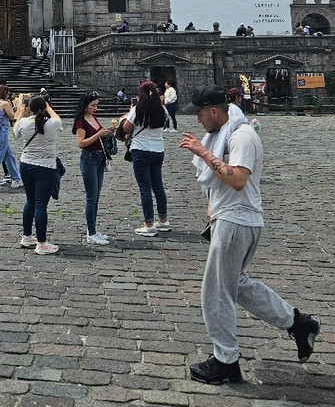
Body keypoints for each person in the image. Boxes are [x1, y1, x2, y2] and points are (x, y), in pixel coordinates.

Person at [178, 83, 320, 385]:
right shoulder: (223, 134)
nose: (199, 121)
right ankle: (298, 323)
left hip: (237, 223)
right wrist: (211, 204)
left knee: (215, 294)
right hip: (234, 220)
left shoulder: (241, 136)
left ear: (215, 112)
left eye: (201, 115)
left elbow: (239, 179)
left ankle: (226, 361)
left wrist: (204, 153)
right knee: (237, 285)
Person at [120, 80, 173, 237]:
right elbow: (164, 125)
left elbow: (126, 128)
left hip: (141, 150)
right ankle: (163, 221)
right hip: (158, 150)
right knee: (158, 186)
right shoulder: (162, 109)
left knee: (145, 188)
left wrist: (131, 111)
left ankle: (149, 224)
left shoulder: (138, 108)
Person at [16, 95, 63, 255]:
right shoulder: (52, 123)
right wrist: (48, 107)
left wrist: (21, 113)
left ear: (30, 109)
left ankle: (27, 236)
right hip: (45, 166)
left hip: (26, 164)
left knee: (30, 200)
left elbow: (16, 133)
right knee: (41, 204)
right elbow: (58, 119)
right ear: (44, 108)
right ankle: (42, 242)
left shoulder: (24, 122)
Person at [74, 92, 114, 246]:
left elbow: (99, 135)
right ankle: (90, 232)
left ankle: (94, 229)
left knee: (96, 197)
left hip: (99, 158)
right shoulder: (81, 121)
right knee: (91, 198)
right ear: (85, 105)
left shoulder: (93, 118)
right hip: (89, 158)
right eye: (93, 105)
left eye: (97, 105)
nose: (95, 108)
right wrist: (98, 134)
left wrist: (108, 132)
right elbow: (81, 143)